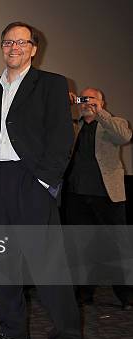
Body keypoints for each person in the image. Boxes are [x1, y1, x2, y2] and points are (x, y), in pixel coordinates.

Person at [0, 21, 82, 339]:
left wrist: (45, 181)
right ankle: (12, 329)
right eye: (8, 42)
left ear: (34, 48)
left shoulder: (51, 84)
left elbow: (62, 137)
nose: (14, 47)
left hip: (31, 179)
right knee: (1, 262)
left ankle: (66, 336)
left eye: (21, 42)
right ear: (1, 46)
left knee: (47, 263)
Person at [64, 88, 132, 309]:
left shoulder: (112, 122)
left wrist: (100, 112)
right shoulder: (75, 125)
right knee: (82, 247)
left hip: (107, 196)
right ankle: (84, 293)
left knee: (118, 246)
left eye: (91, 99)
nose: (86, 103)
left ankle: (127, 295)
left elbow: (124, 136)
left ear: (102, 102)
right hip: (77, 196)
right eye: (83, 99)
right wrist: (65, 104)